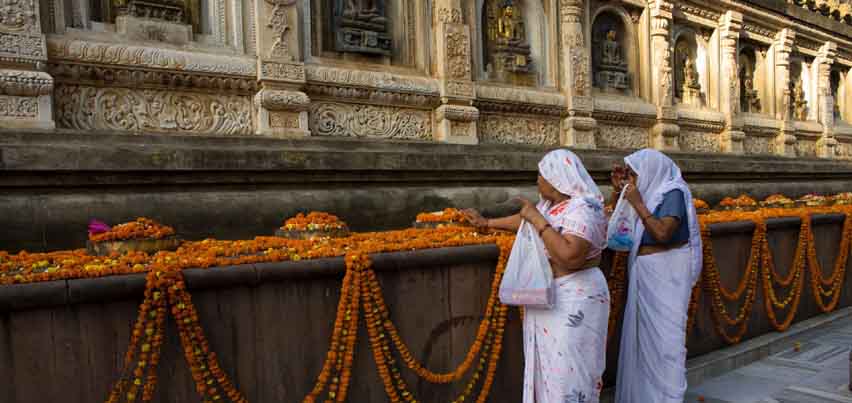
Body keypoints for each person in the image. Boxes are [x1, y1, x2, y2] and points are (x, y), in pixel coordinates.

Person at [464, 149, 610, 403]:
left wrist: (537, 219)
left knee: (570, 375)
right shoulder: (551, 206)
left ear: (555, 179)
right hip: (550, 298)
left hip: (575, 299)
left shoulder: (583, 208)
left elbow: (570, 256)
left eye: (540, 175)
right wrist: (486, 223)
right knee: (549, 372)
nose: (537, 181)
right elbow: (522, 221)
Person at [612, 149, 702, 403]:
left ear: (651, 171)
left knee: (666, 344)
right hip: (646, 271)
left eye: (635, 174)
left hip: (668, 271)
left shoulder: (672, 192)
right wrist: (618, 193)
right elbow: (619, 230)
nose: (633, 179)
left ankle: (669, 398)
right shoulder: (650, 192)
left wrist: (638, 202)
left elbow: (663, 233)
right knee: (645, 345)